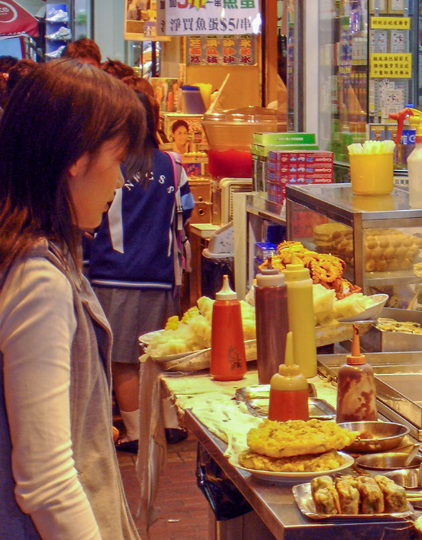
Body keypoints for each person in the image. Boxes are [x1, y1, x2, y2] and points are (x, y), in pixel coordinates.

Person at [0, 59, 145, 538]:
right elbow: (46, 482)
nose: (121, 180)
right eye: (118, 158)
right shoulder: (37, 278)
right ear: (76, 160)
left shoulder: (33, 251)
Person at [88, 76, 194, 453]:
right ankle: (168, 423)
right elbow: (187, 210)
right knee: (157, 355)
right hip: (161, 275)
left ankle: (136, 431)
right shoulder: (171, 163)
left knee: (123, 361)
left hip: (113, 275)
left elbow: (92, 222)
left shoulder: (106, 163)